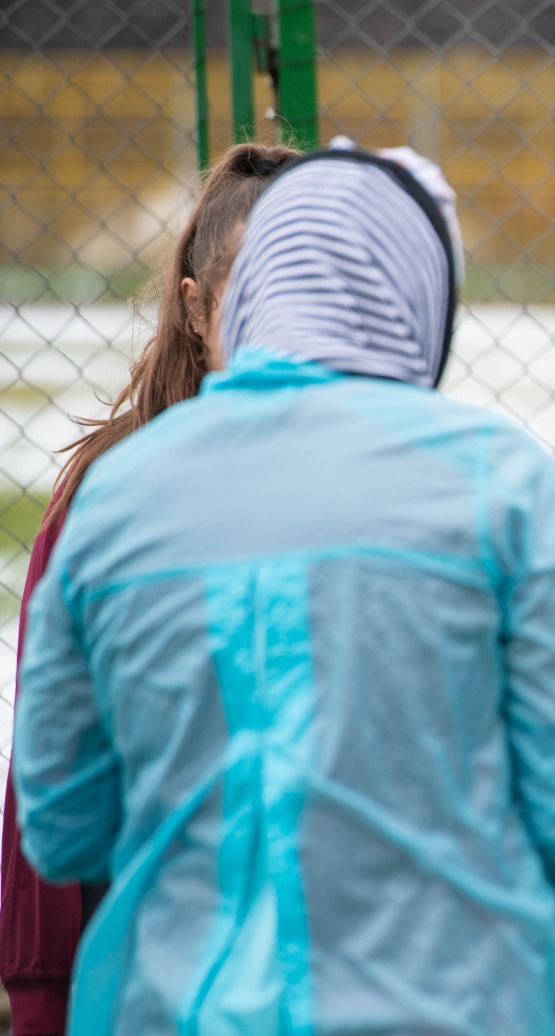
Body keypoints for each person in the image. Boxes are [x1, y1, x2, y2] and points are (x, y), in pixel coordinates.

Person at [12, 143, 555, 1034]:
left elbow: (64, 819)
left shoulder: (114, 494)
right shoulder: (500, 482)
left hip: (177, 1004)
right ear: (422, 293)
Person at [0, 140, 297, 1036]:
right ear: (195, 307)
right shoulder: (111, 493)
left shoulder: (411, 487)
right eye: (254, 292)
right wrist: (45, 986)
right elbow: (50, 763)